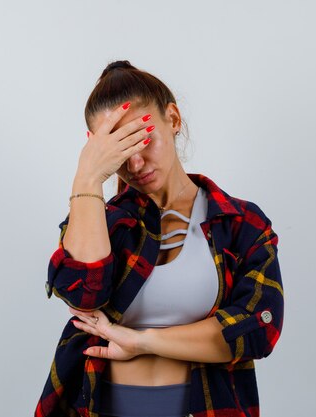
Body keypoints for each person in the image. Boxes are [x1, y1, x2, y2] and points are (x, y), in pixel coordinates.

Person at [35, 60, 284, 417]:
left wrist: (140, 341)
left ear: (173, 119)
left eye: (142, 138)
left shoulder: (240, 222)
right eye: (118, 150)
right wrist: (87, 178)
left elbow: (259, 328)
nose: (134, 163)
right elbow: (83, 295)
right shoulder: (103, 219)